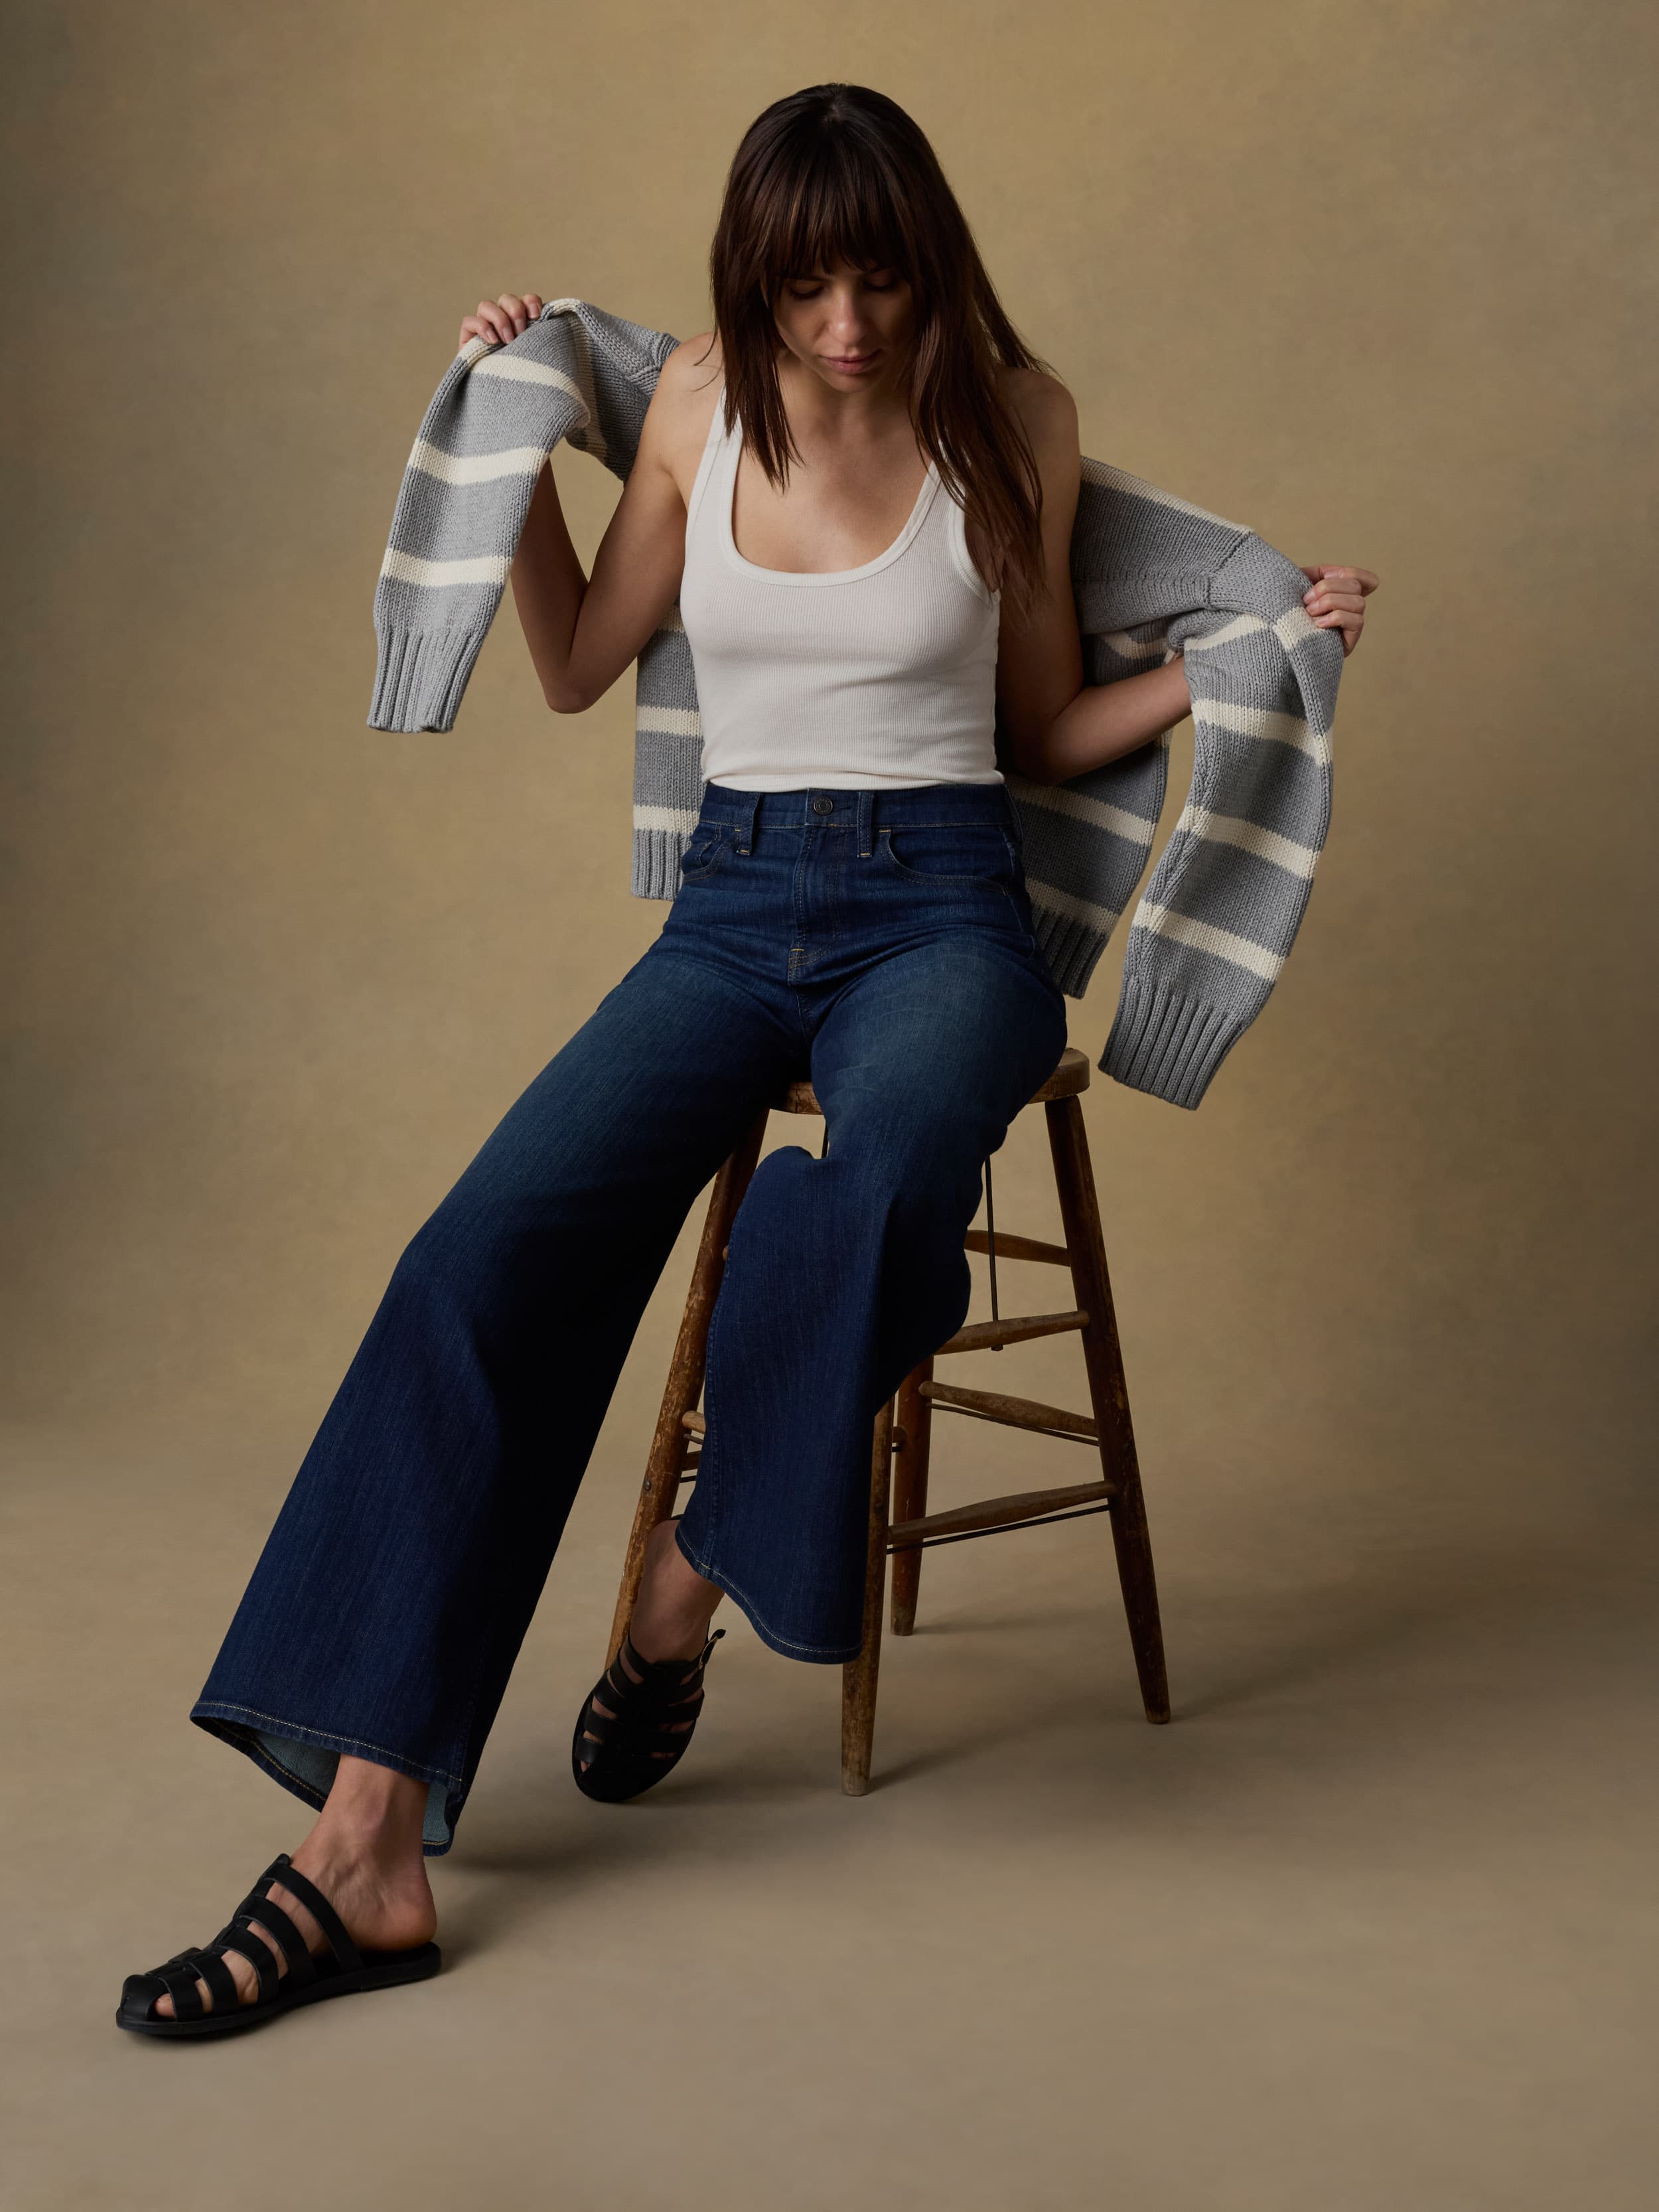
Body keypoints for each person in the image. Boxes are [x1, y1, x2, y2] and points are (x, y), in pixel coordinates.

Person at [117, 82, 1376, 2039]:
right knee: (472, 1268)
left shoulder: (1008, 421)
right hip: (728, 909)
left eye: (879, 279)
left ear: (928, 262)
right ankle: (362, 1848)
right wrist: (519, 447)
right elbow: (569, 662)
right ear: (754, 281)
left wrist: (1250, 660)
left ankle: (688, 1583)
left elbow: (1039, 729)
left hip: (940, 915)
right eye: (808, 287)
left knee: (876, 1186)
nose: (849, 325)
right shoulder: (700, 409)